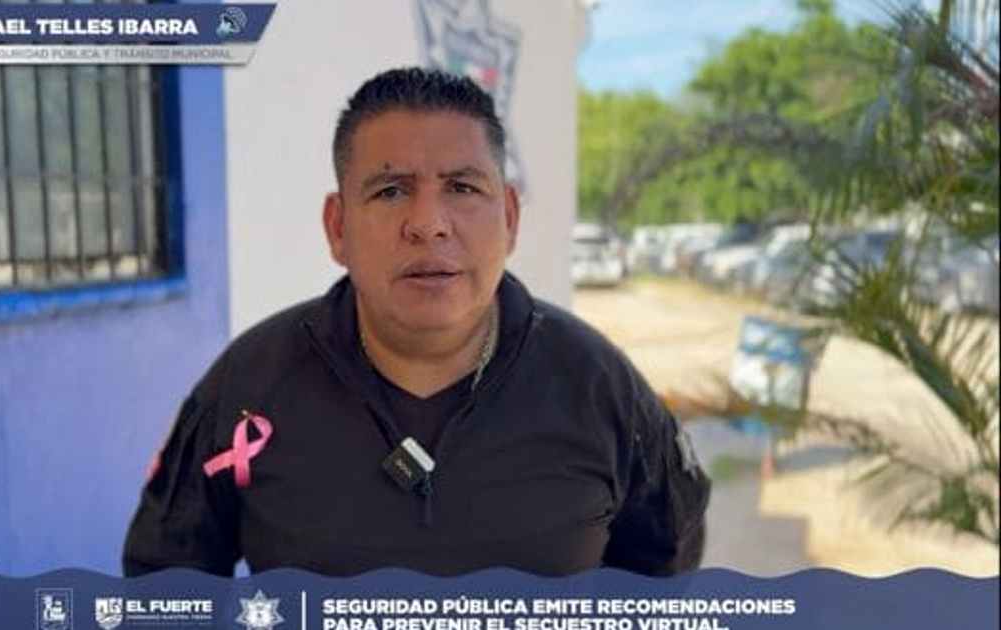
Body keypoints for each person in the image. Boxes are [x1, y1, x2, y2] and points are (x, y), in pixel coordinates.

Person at [122, 67, 709, 578]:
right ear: (337, 227)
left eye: (461, 187)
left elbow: (663, 561)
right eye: (390, 190)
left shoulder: (598, 386)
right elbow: (167, 576)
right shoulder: (249, 388)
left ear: (508, 217)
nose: (428, 223)